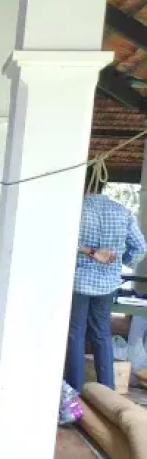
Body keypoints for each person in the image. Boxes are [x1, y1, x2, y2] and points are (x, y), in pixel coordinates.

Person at [65, 167, 147, 391]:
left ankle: (75, 391)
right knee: (102, 332)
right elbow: (140, 248)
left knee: (75, 333)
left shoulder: (75, 210)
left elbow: (61, 239)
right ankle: (107, 389)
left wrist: (90, 252)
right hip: (107, 284)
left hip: (78, 281)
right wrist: (122, 260)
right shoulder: (122, 212)